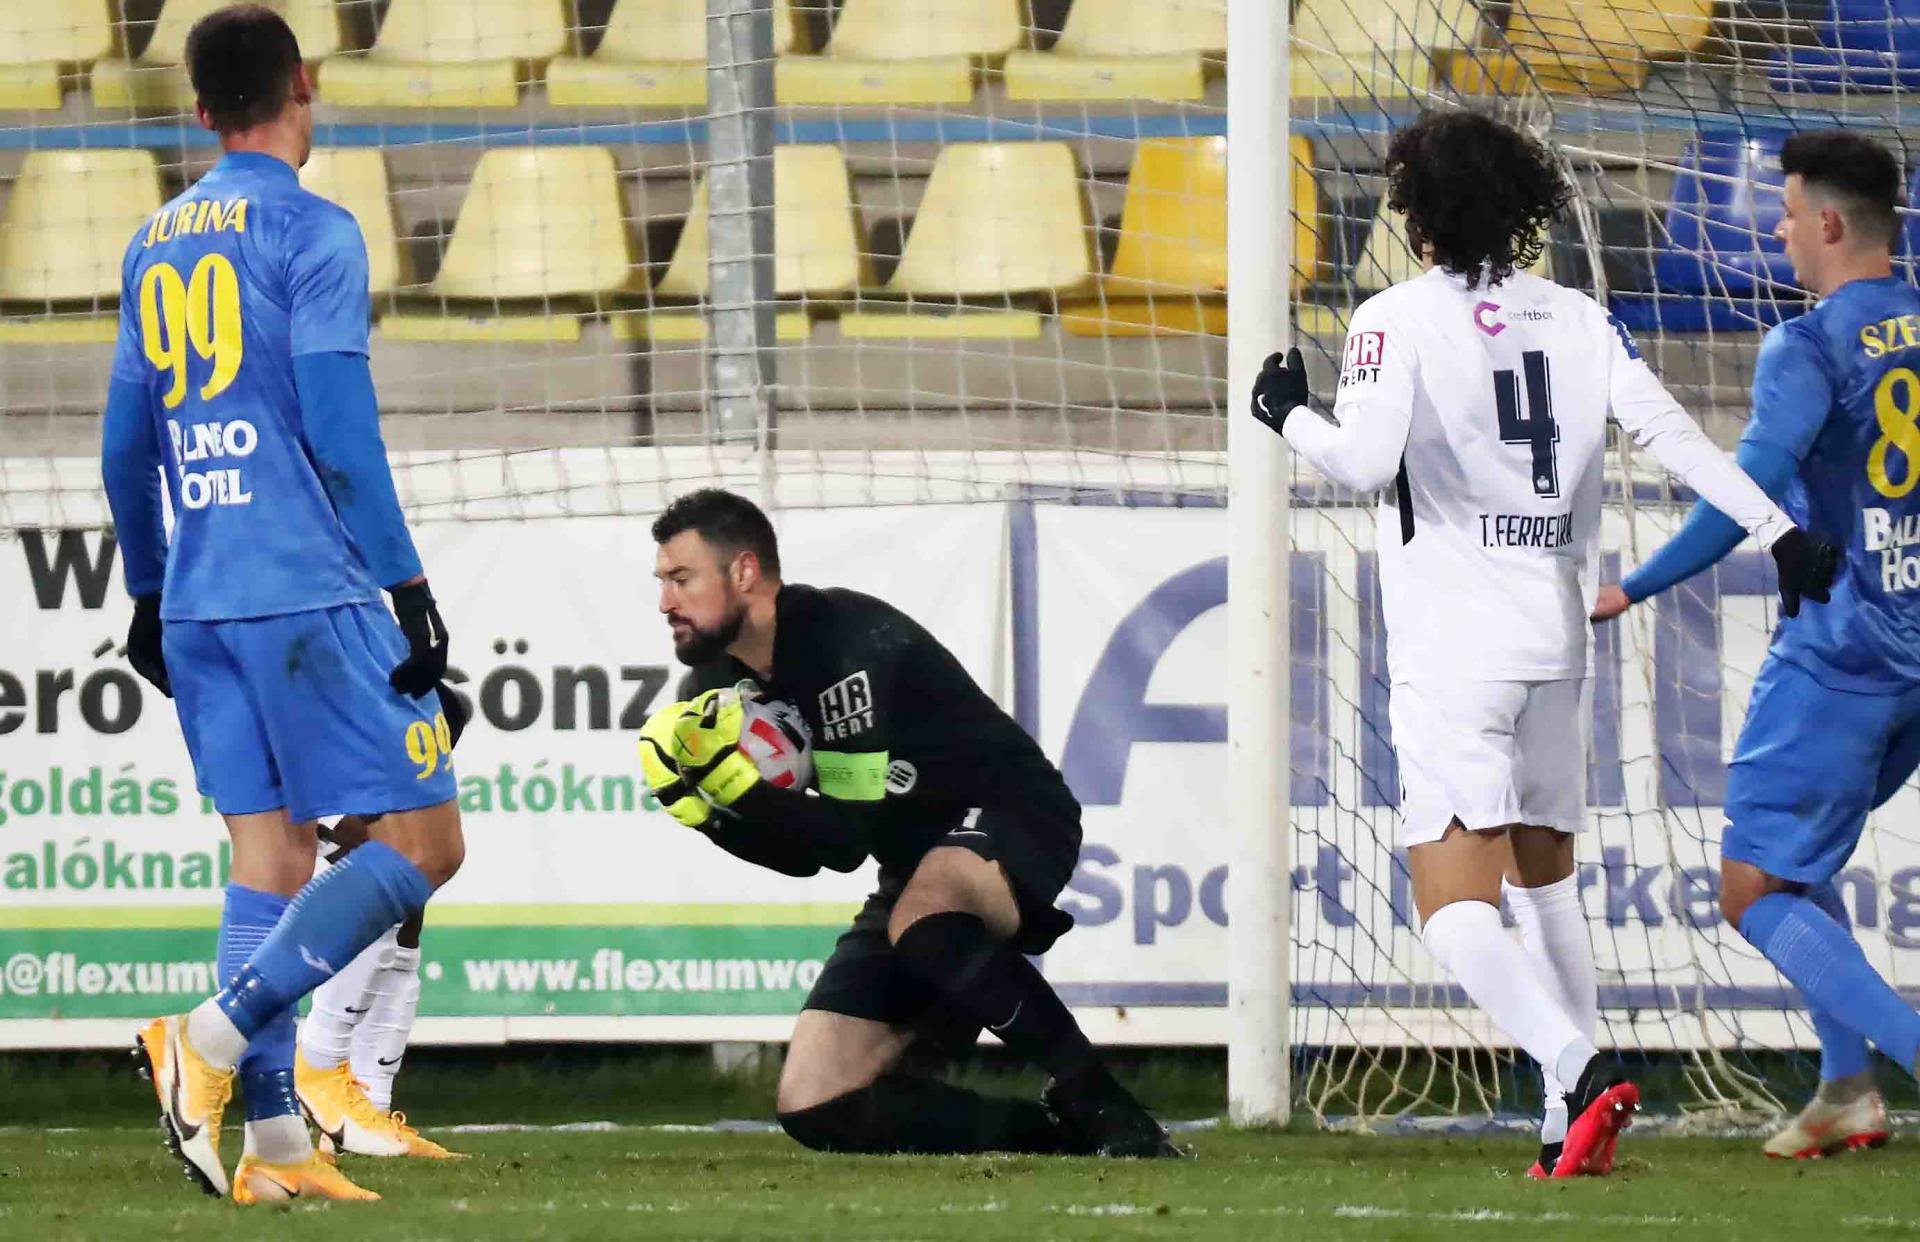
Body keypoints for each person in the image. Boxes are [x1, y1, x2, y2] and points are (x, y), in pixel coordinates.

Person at [1250, 109, 1839, 1177]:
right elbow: (1671, 434)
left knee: (1450, 910)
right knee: (1543, 880)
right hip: (1555, 641)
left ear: (1416, 214)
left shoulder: (1392, 317)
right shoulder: (1578, 316)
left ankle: (1578, 1061)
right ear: (1521, 208)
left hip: (1454, 648)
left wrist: (1286, 413)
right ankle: (1567, 1119)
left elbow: (1362, 460)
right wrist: (1780, 532)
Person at [104, 4, 464, 1203]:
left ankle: (273, 1147)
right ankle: (205, 1038)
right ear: (303, 82)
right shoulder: (314, 228)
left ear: (203, 109)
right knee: (424, 844)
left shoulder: (152, 242)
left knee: (271, 853)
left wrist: (147, 589)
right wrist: (407, 585)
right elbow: (340, 430)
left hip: (200, 593)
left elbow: (124, 446)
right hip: (305, 584)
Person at [639, 489, 1177, 1158]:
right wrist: (708, 816)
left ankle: (1101, 1101)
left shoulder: (839, 644)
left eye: (681, 578)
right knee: (816, 1101)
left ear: (743, 571)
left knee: (926, 918)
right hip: (913, 863)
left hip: (1013, 808)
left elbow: (843, 840)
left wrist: (739, 789)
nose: (665, 602)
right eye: (662, 582)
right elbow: (806, 856)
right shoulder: (712, 691)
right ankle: (1061, 1140)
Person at [1594, 129, 1915, 1162]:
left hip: (1844, 655)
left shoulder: (1810, 346)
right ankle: (1845, 1088)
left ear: (1828, 222)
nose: (1775, 231)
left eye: (1784, 214)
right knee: (1796, 867)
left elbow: (1745, 495)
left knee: (1750, 889)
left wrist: (1631, 587)